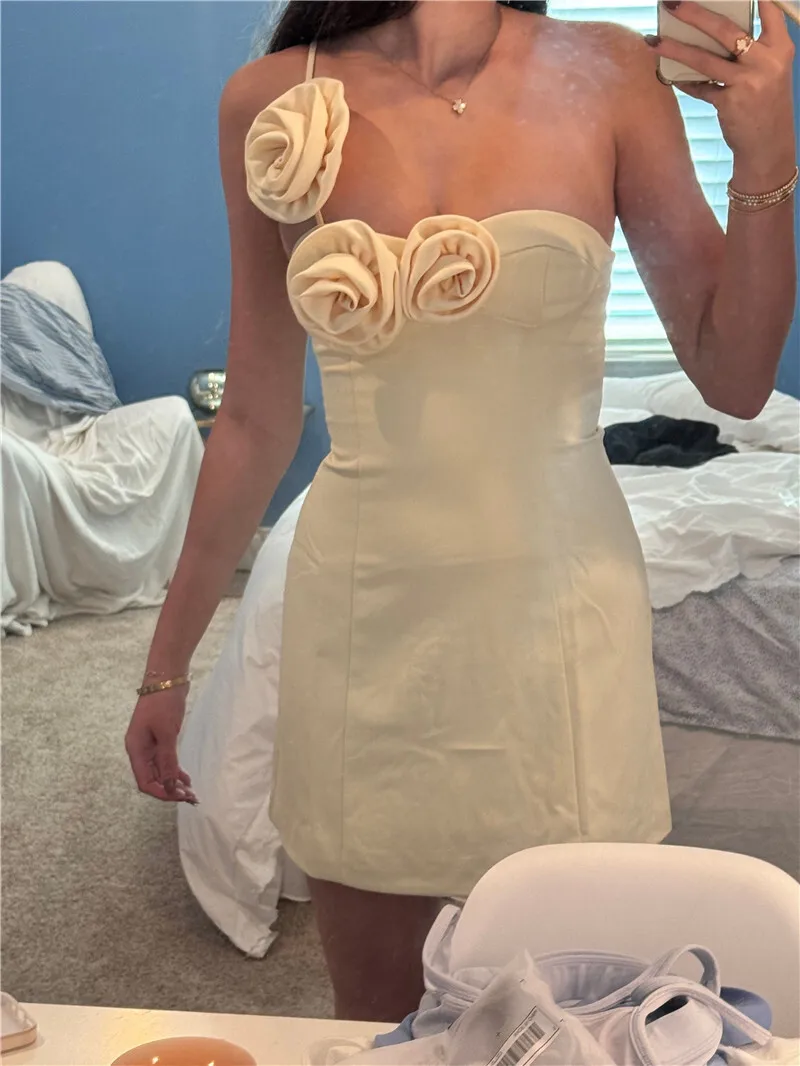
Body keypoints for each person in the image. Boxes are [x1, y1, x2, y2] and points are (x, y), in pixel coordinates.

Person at [126, 0, 797, 1023]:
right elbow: (257, 416)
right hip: (362, 615)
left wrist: (766, 156)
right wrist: (165, 665)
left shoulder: (610, 72)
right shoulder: (269, 100)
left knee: (581, 1011)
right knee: (378, 1016)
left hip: (562, 610)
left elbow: (736, 379)